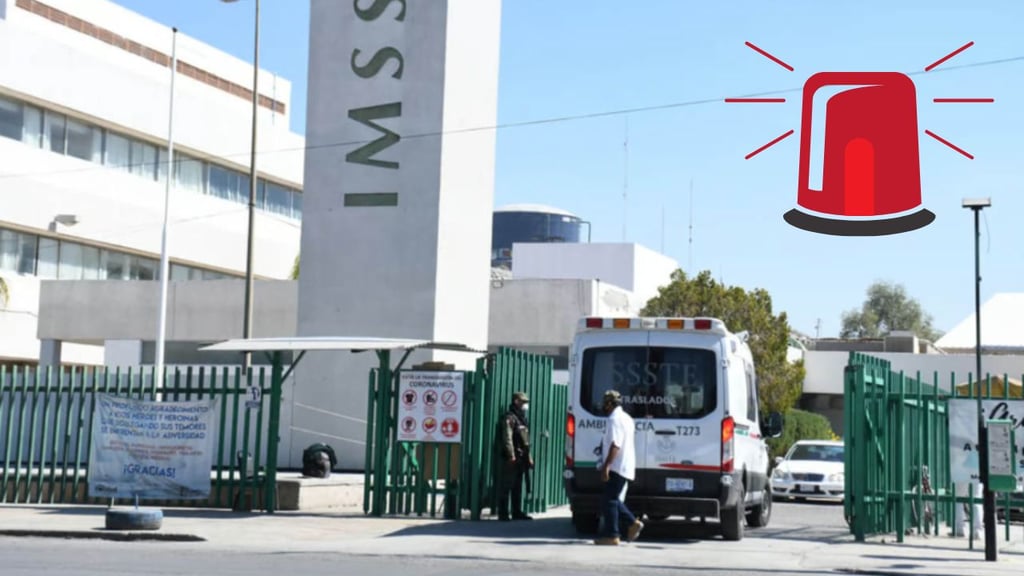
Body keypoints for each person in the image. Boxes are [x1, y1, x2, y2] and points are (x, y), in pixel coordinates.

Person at [595, 390, 643, 545]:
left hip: (617, 465)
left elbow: (616, 444)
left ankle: (612, 535)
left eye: (605, 403)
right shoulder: (627, 418)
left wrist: (606, 466)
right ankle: (632, 523)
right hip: (625, 464)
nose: (603, 406)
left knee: (609, 500)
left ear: (610, 404)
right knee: (613, 499)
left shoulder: (614, 420)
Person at [496, 391, 533, 521]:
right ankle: (503, 513)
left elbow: (525, 440)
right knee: (506, 485)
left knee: (518, 486)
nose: (525, 405)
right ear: (516, 401)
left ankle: (517, 511)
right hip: (512, 457)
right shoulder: (510, 417)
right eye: (523, 402)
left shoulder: (521, 418)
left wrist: (529, 457)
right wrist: (511, 455)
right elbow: (508, 438)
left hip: (521, 456)